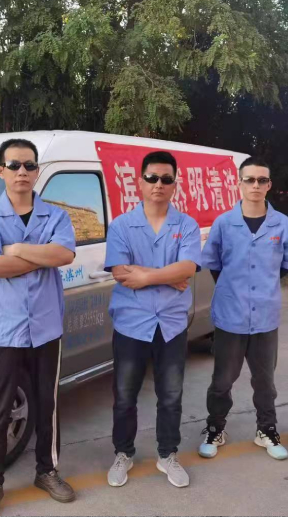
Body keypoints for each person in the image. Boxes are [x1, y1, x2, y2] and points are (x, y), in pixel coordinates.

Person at [0, 138, 77, 516]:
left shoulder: (56, 216)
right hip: (5, 329)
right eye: (14, 165)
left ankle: (47, 472)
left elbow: (64, 254)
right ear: (1, 171)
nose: (22, 172)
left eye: (29, 165)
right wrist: (41, 256)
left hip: (46, 327)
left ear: (37, 171)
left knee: (48, 405)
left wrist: (15, 250)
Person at [104, 151, 202, 489]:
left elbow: (187, 268)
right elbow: (120, 272)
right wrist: (167, 276)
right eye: (152, 178)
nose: (159, 184)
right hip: (131, 323)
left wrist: (145, 275)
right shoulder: (121, 225)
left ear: (175, 184)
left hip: (171, 324)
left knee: (171, 395)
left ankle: (167, 454)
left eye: (166, 179)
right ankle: (123, 453)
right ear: (140, 181)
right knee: (124, 395)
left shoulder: (186, 225)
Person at [198, 157, 288, 460]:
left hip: (265, 317)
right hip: (230, 316)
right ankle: (215, 428)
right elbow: (214, 264)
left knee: (265, 381)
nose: (255, 185)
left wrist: (264, 284)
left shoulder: (281, 223)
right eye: (249, 179)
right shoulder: (223, 223)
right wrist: (234, 288)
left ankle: (266, 429)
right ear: (239, 183)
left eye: (261, 180)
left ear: (269, 185)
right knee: (222, 380)